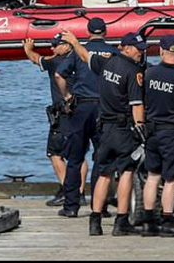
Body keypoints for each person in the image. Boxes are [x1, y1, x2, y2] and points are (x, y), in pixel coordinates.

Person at [61, 30, 147, 237]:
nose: (141, 54)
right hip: (123, 128)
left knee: (104, 173)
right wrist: (141, 129)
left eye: (143, 50)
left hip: (105, 127)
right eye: (138, 49)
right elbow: (137, 105)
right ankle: (121, 221)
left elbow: (84, 56)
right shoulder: (133, 72)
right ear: (126, 47)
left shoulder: (107, 63)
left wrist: (74, 41)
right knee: (126, 172)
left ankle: (95, 221)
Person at [54, 18, 119, 218]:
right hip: (105, 109)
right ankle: (101, 206)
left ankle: (71, 206)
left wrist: (67, 96)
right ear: (106, 32)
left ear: (88, 32)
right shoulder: (114, 52)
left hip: (81, 107)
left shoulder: (78, 51)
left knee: (75, 158)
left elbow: (59, 75)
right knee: (103, 158)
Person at [141, 35, 174, 238]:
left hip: (152, 131)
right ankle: (168, 220)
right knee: (172, 179)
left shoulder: (149, 74)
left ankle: (148, 222)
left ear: (161, 51)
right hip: (172, 132)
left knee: (153, 176)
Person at [24, 34, 88, 208]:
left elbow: (37, 59)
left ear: (67, 46)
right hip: (82, 110)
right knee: (79, 153)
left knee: (55, 153)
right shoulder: (82, 60)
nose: (52, 48)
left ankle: (68, 191)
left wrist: (28, 49)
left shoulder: (57, 62)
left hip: (64, 113)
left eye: (55, 45)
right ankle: (80, 192)